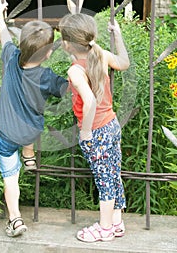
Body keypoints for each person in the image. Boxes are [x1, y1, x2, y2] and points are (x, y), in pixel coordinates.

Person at [0, 0, 68, 237]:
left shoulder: (11, 56)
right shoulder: (47, 76)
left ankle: (15, 219)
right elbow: (69, 89)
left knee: (9, 177)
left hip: (5, 132)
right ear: (47, 54)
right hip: (29, 132)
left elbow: (3, 33)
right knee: (33, 121)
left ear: (21, 44)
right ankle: (29, 156)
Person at [59, 13, 130, 242]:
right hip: (112, 124)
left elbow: (88, 101)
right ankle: (117, 222)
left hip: (97, 131)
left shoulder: (75, 70)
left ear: (67, 43)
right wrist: (117, 35)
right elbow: (124, 63)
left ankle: (105, 228)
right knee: (113, 174)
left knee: (104, 179)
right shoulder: (99, 54)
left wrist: (85, 132)